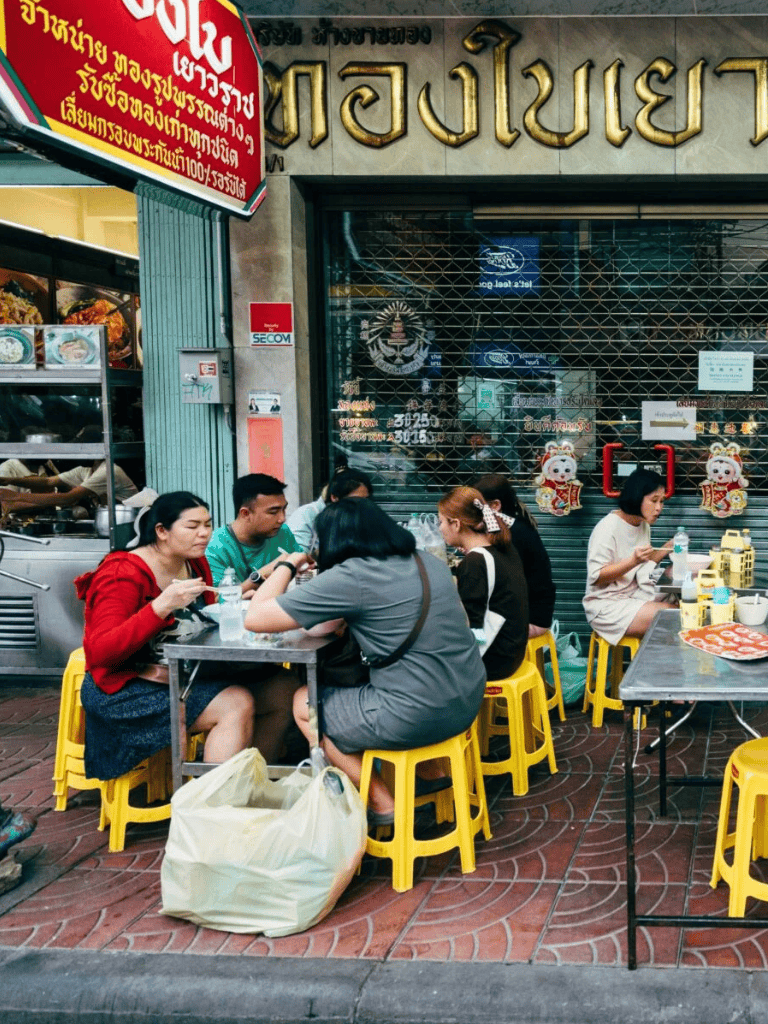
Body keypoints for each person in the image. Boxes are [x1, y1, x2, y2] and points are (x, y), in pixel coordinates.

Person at [244, 498, 487, 824]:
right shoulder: (427, 561)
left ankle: (384, 804)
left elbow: (256, 617)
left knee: (305, 703)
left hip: (418, 712)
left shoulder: (353, 575)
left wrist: (286, 566)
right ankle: (431, 771)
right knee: (385, 679)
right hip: (467, 697)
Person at [73, 491, 257, 781]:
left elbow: (205, 617)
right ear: (161, 531)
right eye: (192, 526)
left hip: (183, 674)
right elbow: (101, 651)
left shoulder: (194, 563)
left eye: (208, 524)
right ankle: (208, 810)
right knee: (236, 702)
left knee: (280, 691)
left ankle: (246, 789)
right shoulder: (121, 573)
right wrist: (160, 606)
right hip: (124, 688)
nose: (204, 533)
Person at [438, 486, 529, 681]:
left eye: (441, 522)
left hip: (493, 661)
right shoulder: (504, 549)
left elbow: (474, 624)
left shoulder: (475, 562)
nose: (440, 530)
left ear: (455, 524)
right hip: (512, 654)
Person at [583, 468, 675, 644]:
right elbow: (597, 577)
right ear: (636, 496)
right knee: (674, 616)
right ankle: (650, 669)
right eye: (654, 500)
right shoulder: (608, 528)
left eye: (662, 501)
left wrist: (667, 548)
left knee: (684, 604)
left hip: (632, 594)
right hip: (606, 606)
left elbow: (642, 565)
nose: (659, 508)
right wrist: (633, 561)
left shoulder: (643, 525)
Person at [473, 473, 556, 638]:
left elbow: (501, 579)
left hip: (531, 617)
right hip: (526, 610)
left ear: (495, 505)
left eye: (477, 508)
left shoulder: (514, 533)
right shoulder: (512, 524)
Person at [0, 425, 138, 516]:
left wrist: (16, 496)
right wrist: (10, 481)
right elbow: (48, 481)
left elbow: (67, 498)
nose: (77, 455)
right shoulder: (85, 470)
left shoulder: (107, 471)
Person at [205, 473, 303, 594]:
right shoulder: (216, 547)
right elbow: (213, 599)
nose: (282, 518)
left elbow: (303, 574)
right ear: (245, 514)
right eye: (273, 512)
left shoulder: (283, 533)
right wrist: (260, 575)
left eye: (284, 509)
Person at [286, 461, 374, 552]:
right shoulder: (306, 515)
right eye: (354, 501)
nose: (361, 506)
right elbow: (297, 555)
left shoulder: (365, 516)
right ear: (334, 497)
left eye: (365, 500)